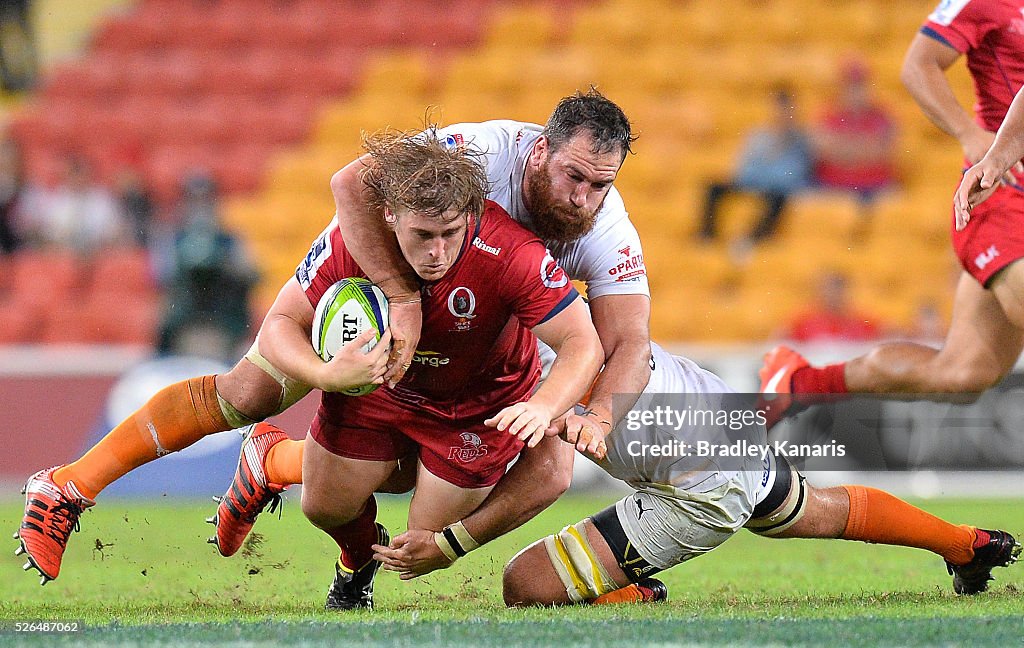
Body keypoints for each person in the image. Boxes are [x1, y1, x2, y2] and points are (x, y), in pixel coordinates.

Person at [13, 89, 641, 586]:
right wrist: (399, 298)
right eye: (572, 177)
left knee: (498, 471)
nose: (583, 199)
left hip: (480, 339)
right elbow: (351, 185)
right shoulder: (475, 153)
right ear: (539, 151)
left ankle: (276, 464)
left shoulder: (601, 230)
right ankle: (68, 484)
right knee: (249, 391)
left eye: (600, 185)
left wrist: (596, 411)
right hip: (384, 269)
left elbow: (625, 342)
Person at [368, 340, 1020, 604]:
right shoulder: (545, 308)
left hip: (699, 480)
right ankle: (968, 545)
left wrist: (452, 545)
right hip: (705, 408)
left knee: (524, 585)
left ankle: (636, 596)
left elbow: (547, 477)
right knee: (816, 511)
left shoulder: (524, 371)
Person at [758, 0, 1024, 428]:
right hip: (1003, 198)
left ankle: (801, 380)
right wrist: (974, 139)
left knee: (962, 373)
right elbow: (918, 66)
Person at [154, 172, 258, 360]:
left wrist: (227, 266)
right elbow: (162, 279)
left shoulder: (230, 241)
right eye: (193, 200)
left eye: (206, 199)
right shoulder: (172, 239)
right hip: (185, 324)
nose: (200, 206)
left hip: (223, 324)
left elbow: (252, 275)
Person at [698, 86, 813, 246]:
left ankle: (754, 239)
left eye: (787, 110)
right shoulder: (759, 136)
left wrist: (768, 169)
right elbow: (744, 168)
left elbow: (794, 175)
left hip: (776, 189)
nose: (782, 115)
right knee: (714, 188)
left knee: (779, 199)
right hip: (755, 182)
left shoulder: (800, 140)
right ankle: (707, 236)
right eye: (779, 109)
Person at [811, 59, 899, 212]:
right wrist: (865, 147)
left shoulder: (882, 115)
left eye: (860, 86)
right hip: (833, 186)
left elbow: (884, 152)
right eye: (850, 86)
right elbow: (822, 151)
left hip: (875, 186)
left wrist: (844, 147)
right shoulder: (828, 114)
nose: (856, 92)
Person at [783, 271, 882, 343]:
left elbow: (891, 335)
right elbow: (778, 343)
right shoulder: (802, 319)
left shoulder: (861, 319)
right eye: (828, 290)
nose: (833, 295)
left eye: (838, 290)